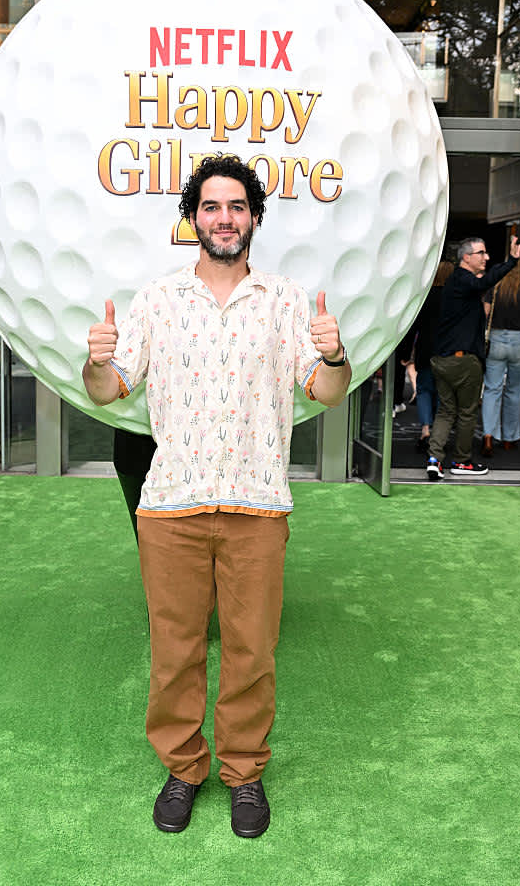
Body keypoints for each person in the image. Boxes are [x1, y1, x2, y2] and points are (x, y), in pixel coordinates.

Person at [83, 154, 351, 838]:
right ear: (192, 218)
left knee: (250, 651)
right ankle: (182, 768)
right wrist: (95, 358)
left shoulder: (288, 300)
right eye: (210, 206)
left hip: (257, 504)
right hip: (171, 505)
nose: (223, 218)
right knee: (174, 650)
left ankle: (243, 774)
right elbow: (109, 388)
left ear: (254, 217)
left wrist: (333, 357)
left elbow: (323, 392)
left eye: (235, 206)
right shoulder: (156, 300)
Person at [427, 234, 520, 480]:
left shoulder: (456, 282)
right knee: (467, 412)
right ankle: (462, 461)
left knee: (446, 411)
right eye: (482, 253)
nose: (486, 257)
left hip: (442, 359)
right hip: (463, 361)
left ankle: (435, 460)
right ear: (466, 257)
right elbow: (484, 282)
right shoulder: (463, 279)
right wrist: (511, 261)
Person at [481, 251, 520, 456]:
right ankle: (509, 438)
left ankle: (488, 435)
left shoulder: (495, 287)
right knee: (514, 391)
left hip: (496, 338)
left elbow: (485, 313)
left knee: (492, 389)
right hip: (519, 341)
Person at [404, 260, 454, 452]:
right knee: (444, 392)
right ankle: (440, 434)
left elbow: (413, 326)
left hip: (426, 349)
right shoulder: (454, 297)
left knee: (424, 390)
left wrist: (407, 351)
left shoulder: (425, 296)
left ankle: (425, 429)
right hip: (447, 349)